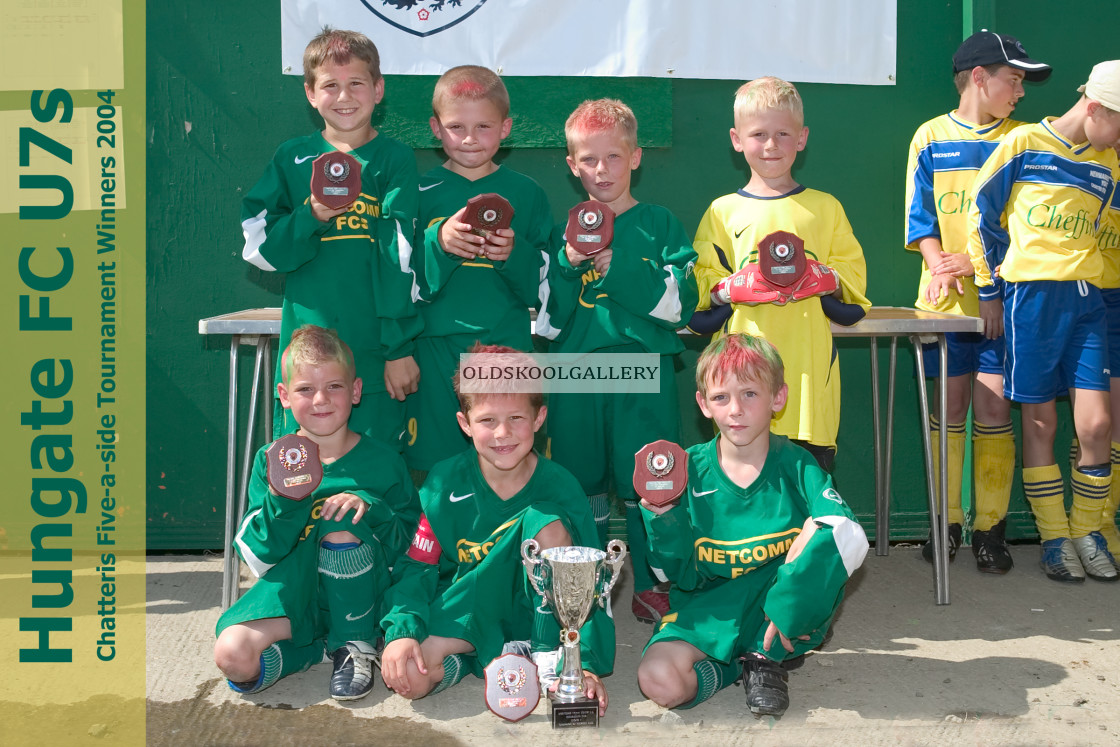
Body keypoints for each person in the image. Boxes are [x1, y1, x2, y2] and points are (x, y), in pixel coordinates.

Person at [636, 333, 868, 717]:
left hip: (776, 607)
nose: (736, 410)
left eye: (750, 394)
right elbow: (671, 573)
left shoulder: (797, 463)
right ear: (703, 404)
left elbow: (849, 536)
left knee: (824, 526)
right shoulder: (684, 469)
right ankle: (732, 666)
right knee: (658, 680)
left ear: (778, 398)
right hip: (711, 606)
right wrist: (663, 517)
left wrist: (790, 604)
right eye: (721, 397)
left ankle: (765, 656)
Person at [379, 346, 613, 716]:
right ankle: (485, 661)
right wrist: (403, 630)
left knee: (545, 523)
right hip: (471, 611)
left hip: (543, 621)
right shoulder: (443, 482)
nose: (502, 433)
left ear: (539, 418)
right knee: (409, 676)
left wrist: (586, 664)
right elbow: (418, 566)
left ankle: (548, 661)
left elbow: (591, 584)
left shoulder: (561, 486)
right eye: (487, 420)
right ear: (465, 423)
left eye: (516, 417)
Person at [535, 98, 699, 624]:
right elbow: (544, 322)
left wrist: (619, 266)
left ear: (636, 157)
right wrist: (565, 265)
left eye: (612, 157)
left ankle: (657, 582)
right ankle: (585, 585)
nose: (600, 170)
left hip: (641, 371)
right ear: (571, 164)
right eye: (588, 159)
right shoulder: (560, 234)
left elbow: (681, 308)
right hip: (576, 374)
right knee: (579, 484)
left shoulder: (659, 224)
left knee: (650, 478)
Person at [903, 31, 1051, 571]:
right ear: (980, 78)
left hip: (1003, 300)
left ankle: (991, 530)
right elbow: (920, 216)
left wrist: (975, 263)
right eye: (1014, 79)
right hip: (941, 302)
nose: (1020, 91)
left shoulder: (1027, 140)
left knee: (993, 407)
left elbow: (1026, 221)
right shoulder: (929, 136)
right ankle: (943, 527)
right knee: (950, 408)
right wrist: (939, 260)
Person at [968, 60, 1120, 582]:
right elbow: (980, 215)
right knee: (1040, 422)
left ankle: (1088, 531)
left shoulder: (1108, 163)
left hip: (1089, 301)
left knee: (1096, 424)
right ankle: (1055, 537)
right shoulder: (1024, 143)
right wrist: (990, 293)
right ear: (1095, 107)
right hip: (1029, 299)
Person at [214, 325, 420, 700]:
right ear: (284, 396)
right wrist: (283, 500)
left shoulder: (383, 461)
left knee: (339, 515)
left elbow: (409, 543)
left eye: (334, 387)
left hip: (364, 595)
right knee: (233, 656)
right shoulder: (271, 462)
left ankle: (355, 644)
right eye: (305, 389)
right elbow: (259, 555)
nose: (321, 399)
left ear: (355, 391)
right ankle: (320, 649)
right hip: (298, 594)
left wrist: (369, 508)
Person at [240, 27, 421, 451]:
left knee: (375, 473)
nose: (344, 96)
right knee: (303, 471)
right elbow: (260, 248)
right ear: (309, 93)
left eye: (356, 83)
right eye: (331, 86)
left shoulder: (393, 159)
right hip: (308, 357)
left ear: (378, 90)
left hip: (375, 352)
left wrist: (397, 348)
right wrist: (313, 214)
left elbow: (400, 256)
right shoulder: (292, 158)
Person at [692, 77, 870, 473]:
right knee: (746, 485)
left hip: (809, 385)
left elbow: (853, 275)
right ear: (736, 139)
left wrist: (828, 279)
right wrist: (727, 289)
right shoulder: (722, 211)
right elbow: (701, 280)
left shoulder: (825, 208)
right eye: (759, 134)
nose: (771, 145)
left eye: (783, 134)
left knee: (809, 485)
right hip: (742, 381)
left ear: (802, 138)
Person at [405, 65, 551, 474]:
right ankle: (437, 537)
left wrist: (512, 252)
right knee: (439, 458)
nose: (469, 138)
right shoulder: (418, 191)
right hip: (435, 344)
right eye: (456, 126)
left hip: (505, 342)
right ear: (435, 128)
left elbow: (543, 283)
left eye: (483, 126)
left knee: (506, 451)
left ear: (506, 128)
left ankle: (503, 536)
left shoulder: (527, 192)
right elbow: (398, 274)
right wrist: (439, 242)